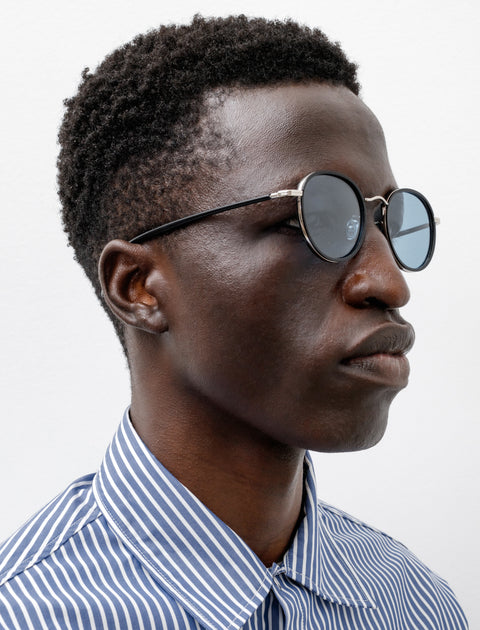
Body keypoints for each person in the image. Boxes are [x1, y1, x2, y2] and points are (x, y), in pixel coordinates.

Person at [0, 14, 468, 630]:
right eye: (313, 218)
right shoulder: (29, 612)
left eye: (387, 221)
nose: (389, 282)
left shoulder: (413, 603)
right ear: (139, 287)